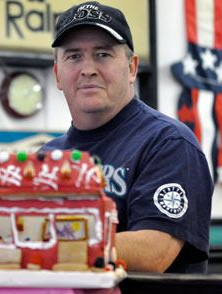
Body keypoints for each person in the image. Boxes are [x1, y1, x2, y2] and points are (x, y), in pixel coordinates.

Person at [40, 1, 213, 273]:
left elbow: (153, 252)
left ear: (132, 68)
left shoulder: (168, 143)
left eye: (102, 54)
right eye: (74, 56)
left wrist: (42, 247)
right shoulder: (46, 158)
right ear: (58, 75)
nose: (88, 69)